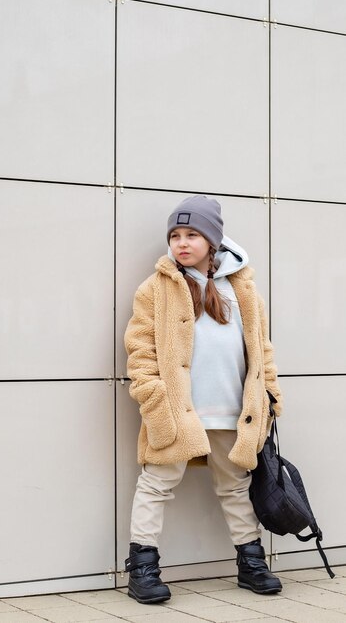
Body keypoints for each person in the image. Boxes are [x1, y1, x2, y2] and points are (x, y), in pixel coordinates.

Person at [124, 194, 283, 604]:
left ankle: (251, 564)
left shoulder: (241, 286)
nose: (182, 242)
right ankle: (142, 569)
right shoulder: (156, 288)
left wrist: (269, 398)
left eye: (192, 234)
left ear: (212, 240)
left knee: (235, 486)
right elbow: (140, 351)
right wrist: (154, 398)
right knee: (157, 483)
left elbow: (260, 348)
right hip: (178, 411)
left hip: (234, 411)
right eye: (175, 235)